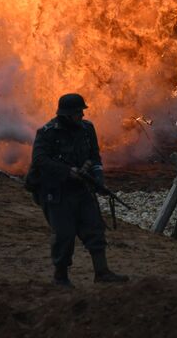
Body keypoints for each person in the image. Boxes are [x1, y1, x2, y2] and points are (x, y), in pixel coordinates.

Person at [27, 93, 129, 287]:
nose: (82, 114)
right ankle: (60, 277)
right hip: (56, 192)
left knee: (95, 229)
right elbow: (39, 161)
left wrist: (98, 180)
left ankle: (102, 272)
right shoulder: (47, 133)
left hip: (81, 189)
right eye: (77, 112)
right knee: (64, 235)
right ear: (66, 115)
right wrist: (67, 172)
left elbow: (95, 157)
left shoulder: (87, 129)